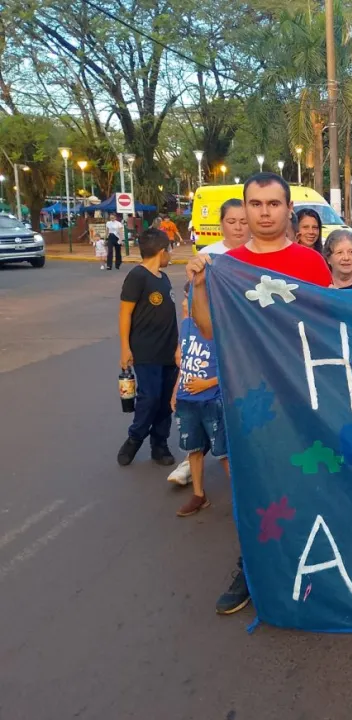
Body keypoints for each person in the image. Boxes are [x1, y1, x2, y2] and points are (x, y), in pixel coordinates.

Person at [185, 172, 331, 616]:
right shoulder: (224, 266)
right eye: (255, 203)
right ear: (243, 210)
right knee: (256, 483)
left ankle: (315, 565)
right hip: (251, 397)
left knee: (310, 481)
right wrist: (196, 287)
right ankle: (252, 567)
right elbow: (210, 331)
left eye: (273, 203)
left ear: (288, 209)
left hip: (304, 396)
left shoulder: (310, 263)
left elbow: (329, 328)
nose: (264, 212)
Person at [168, 198, 249, 487]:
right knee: (214, 417)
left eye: (243, 221)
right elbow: (191, 299)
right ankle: (197, 470)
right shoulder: (209, 256)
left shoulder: (256, 255)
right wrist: (185, 343)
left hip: (249, 345)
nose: (238, 227)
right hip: (214, 341)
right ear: (221, 224)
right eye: (232, 221)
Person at [117, 229, 179, 467]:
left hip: (168, 352)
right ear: (162, 251)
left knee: (165, 402)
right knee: (149, 398)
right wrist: (125, 348)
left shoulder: (163, 278)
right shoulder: (137, 276)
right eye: (169, 249)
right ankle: (135, 438)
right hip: (145, 351)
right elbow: (125, 313)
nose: (170, 254)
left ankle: (159, 445)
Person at [171, 284, 229, 517]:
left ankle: (243, 497)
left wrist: (207, 384)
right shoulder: (185, 326)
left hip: (211, 400)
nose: (185, 303)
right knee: (193, 449)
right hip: (187, 400)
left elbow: (231, 368)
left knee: (223, 452)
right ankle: (198, 494)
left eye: (190, 298)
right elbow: (184, 363)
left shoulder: (219, 331)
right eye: (185, 298)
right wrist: (176, 390)